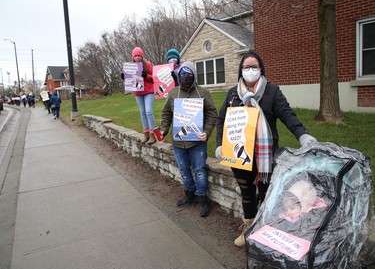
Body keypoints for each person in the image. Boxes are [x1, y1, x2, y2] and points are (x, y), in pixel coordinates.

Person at [215, 51, 317, 247]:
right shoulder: (232, 94)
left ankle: (265, 228)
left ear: (261, 69)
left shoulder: (272, 92)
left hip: (265, 158)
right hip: (240, 156)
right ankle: (249, 226)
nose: (250, 70)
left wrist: (302, 135)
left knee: (266, 193)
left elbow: (288, 115)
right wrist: (220, 143)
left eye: (254, 67)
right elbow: (222, 120)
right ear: (241, 70)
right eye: (246, 67)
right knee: (246, 193)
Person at [160, 61, 217, 217]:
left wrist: (206, 131)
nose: (185, 77)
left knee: (199, 171)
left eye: (189, 75)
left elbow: (212, 113)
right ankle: (189, 193)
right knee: (184, 170)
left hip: (197, 141)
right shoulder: (173, 93)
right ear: (178, 76)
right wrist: (164, 128)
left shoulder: (203, 93)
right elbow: (166, 113)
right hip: (178, 142)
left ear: (194, 76)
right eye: (182, 74)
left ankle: (202, 198)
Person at [131, 47, 156, 145]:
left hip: (148, 91)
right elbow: (129, 81)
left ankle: (152, 134)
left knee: (149, 111)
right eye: (135, 56)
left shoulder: (148, 65)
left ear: (142, 56)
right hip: (138, 92)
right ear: (133, 57)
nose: (137, 57)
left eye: (139, 55)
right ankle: (146, 133)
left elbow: (154, 78)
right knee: (142, 112)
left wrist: (146, 75)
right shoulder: (131, 67)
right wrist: (124, 77)